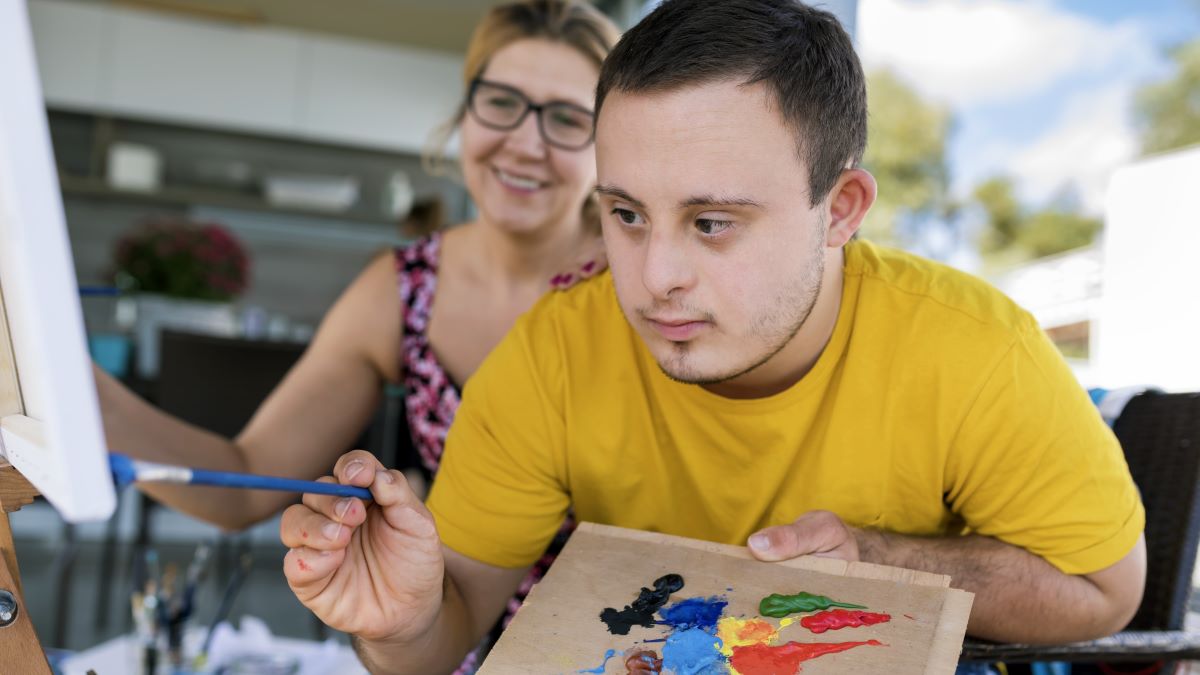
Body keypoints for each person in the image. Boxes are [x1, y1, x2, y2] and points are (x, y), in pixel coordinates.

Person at [280, 0, 1148, 672]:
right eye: (624, 213)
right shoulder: (552, 356)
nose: (655, 276)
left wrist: (881, 559)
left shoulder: (973, 350)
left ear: (839, 209)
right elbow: (445, 629)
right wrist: (398, 623)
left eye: (712, 222)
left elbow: (1106, 592)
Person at [94, 0, 620, 671]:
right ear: (463, 113)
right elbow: (247, 480)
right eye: (501, 102)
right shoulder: (402, 289)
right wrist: (79, 397)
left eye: (568, 118)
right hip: (445, 646)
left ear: (609, 144)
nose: (525, 141)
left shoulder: (644, 284)